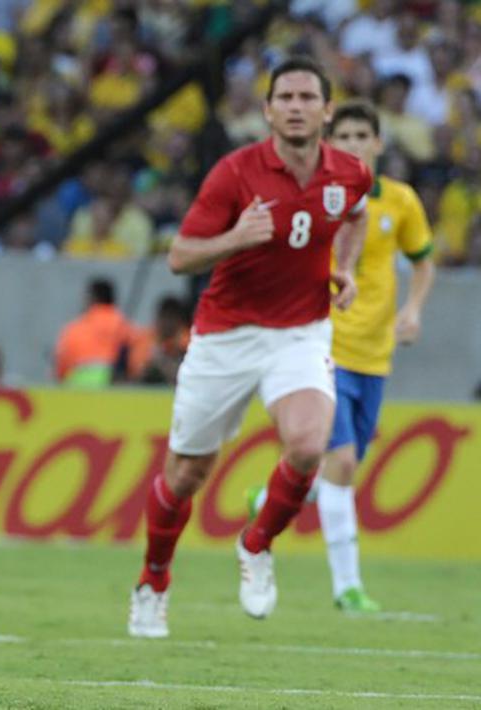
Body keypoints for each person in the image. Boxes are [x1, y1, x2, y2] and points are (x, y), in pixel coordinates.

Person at [127, 56, 372, 639]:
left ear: (326, 110)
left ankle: (257, 542)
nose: (295, 105)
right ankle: (152, 580)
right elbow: (181, 255)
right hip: (226, 335)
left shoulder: (349, 173)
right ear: (267, 110)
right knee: (186, 475)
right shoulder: (235, 174)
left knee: (310, 444)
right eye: (284, 96)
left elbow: (357, 216)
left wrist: (346, 267)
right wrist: (237, 237)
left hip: (300, 332)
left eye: (306, 97)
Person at [248, 100, 436, 613]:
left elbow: (423, 263)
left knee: (334, 471)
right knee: (344, 462)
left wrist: (414, 309)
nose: (353, 145)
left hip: (377, 357)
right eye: (345, 137)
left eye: (362, 136)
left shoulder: (400, 201)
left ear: (377, 143)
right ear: (334, 144)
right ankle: (347, 588)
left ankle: (267, 502)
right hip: (323, 347)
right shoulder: (322, 199)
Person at [52, 278, 131, 387]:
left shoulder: (74, 329)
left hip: (78, 388)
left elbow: (60, 368)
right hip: (115, 389)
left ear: (92, 298)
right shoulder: (127, 328)